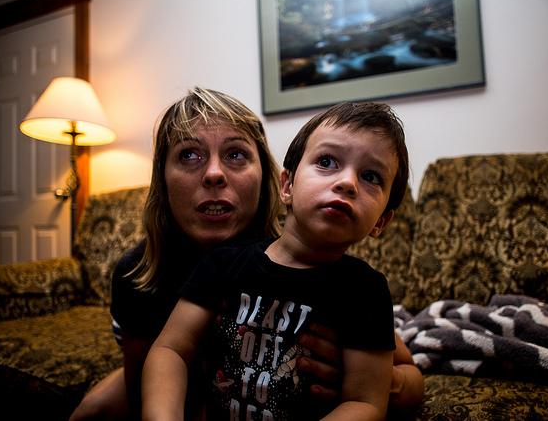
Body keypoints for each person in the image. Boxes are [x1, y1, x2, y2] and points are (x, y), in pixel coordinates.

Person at [141, 101, 423, 420]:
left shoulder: (365, 291)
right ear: (287, 185)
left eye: (371, 176)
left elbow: (365, 403)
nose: (347, 182)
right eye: (327, 161)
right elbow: (170, 350)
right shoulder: (222, 265)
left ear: (381, 221)